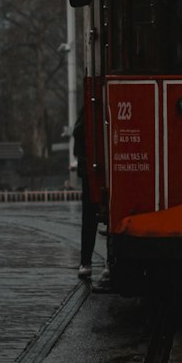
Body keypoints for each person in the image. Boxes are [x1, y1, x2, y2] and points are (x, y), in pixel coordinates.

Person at [73, 110, 97, 280]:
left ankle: (85, 261)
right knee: (90, 217)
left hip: (89, 170)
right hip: (91, 169)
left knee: (88, 218)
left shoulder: (85, 113)